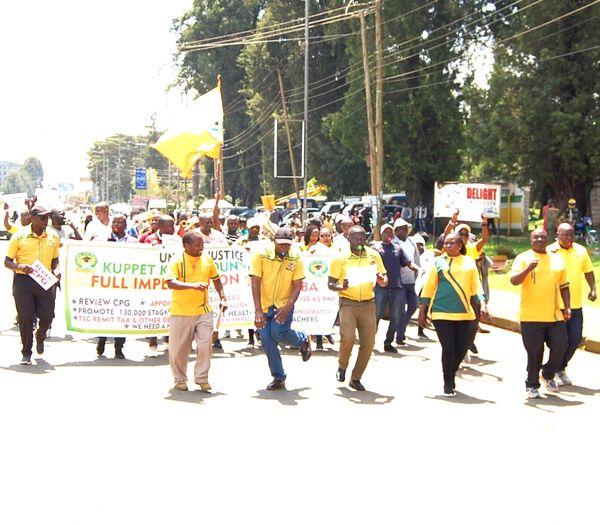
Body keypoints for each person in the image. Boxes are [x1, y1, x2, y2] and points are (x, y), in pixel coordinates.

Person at [418, 233, 487, 396]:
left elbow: (476, 285)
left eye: (452, 243)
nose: (448, 246)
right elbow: (429, 287)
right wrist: (423, 311)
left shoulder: (469, 262)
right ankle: (448, 381)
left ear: (460, 245)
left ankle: (451, 372)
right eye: (446, 244)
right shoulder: (438, 262)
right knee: (448, 348)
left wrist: (483, 304)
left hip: (464, 313)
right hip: (442, 312)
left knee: (461, 348)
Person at [510, 228, 571, 399]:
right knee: (535, 352)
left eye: (543, 237)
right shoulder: (523, 258)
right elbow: (514, 281)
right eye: (536, 237)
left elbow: (564, 285)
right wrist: (528, 268)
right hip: (531, 316)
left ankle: (548, 373)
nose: (539, 239)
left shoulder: (556, 259)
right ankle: (531, 384)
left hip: (554, 315)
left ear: (548, 239)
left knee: (561, 345)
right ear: (531, 239)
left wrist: (567, 307)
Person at [250, 227, 311, 390]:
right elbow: (255, 281)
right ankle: (279, 377)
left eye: (287, 245)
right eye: (281, 244)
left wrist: (288, 306)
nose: (284, 248)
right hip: (263, 306)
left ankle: (302, 339)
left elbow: (298, 285)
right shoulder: (261, 255)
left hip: (284, 304)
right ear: (274, 242)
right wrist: (257, 311)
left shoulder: (296, 258)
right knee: (267, 340)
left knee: (278, 333)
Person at [166, 231, 227, 391]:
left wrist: (223, 297)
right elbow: (170, 282)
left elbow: (216, 279)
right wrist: (193, 286)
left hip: (203, 310)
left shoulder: (207, 259)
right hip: (181, 311)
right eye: (197, 245)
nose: (201, 248)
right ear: (186, 246)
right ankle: (180, 379)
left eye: (202, 245)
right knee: (179, 349)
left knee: (205, 345)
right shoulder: (177, 260)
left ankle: (202, 378)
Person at [328, 225, 387, 391]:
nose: (360, 241)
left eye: (363, 238)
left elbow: (383, 277)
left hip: (368, 303)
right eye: (356, 239)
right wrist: (341, 286)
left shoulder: (374, 255)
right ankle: (342, 366)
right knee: (347, 337)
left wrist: (383, 280)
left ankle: (356, 378)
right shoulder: (340, 258)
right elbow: (331, 283)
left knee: (369, 343)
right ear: (348, 239)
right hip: (348, 302)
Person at [4, 206, 60, 365]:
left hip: (45, 281)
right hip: (24, 281)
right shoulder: (19, 236)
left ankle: (40, 336)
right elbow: (7, 261)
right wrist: (19, 267)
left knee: (48, 316)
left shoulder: (53, 236)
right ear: (32, 218)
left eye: (47, 217)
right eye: (42, 218)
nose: (46, 221)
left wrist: (57, 271)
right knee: (26, 317)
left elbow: (55, 259)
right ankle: (26, 352)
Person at [547, 223, 596, 386]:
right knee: (558, 341)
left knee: (575, 338)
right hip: (555, 305)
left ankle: (560, 368)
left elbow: (588, 271)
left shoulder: (581, 251)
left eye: (571, 235)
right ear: (557, 234)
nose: (568, 239)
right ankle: (551, 371)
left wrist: (593, 288)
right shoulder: (549, 251)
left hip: (575, 305)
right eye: (565, 235)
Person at [95, 215, 139, 358]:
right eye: (114, 222)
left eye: (120, 222)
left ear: (126, 226)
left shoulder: (133, 242)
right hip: (107, 284)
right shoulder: (102, 239)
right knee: (106, 314)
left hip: (125, 285)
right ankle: (101, 340)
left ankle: (119, 348)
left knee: (122, 316)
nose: (116, 224)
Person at [374, 223, 409, 353]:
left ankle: (388, 342)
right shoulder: (375, 248)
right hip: (380, 286)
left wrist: (419, 269)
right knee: (376, 314)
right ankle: (370, 340)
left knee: (396, 315)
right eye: (386, 232)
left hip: (397, 286)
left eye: (390, 232)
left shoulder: (398, 248)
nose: (388, 234)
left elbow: (407, 262)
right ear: (381, 233)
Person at [392, 218, 422, 344]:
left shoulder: (411, 242)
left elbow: (416, 259)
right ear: (396, 231)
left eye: (405, 228)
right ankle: (399, 335)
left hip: (411, 280)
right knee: (400, 308)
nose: (403, 230)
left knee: (413, 306)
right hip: (400, 281)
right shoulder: (394, 243)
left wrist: (419, 273)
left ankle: (401, 329)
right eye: (400, 228)